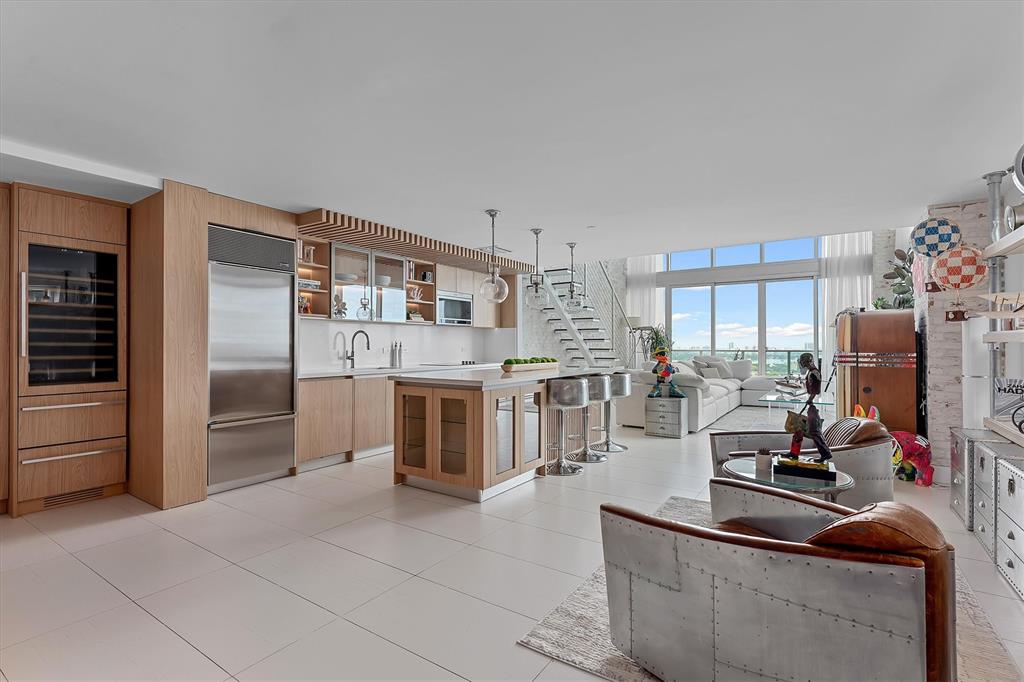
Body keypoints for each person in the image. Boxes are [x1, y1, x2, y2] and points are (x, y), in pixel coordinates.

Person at [791, 352, 832, 462]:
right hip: (811, 402)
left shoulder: (814, 372)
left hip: (812, 404)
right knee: (800, 428)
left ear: (806, 361)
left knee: (814, 430)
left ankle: (825, 453)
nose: (802, 363)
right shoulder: (811, 371)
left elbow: (816, 390)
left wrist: (810, 399)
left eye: (803, 361)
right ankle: (794, 452)